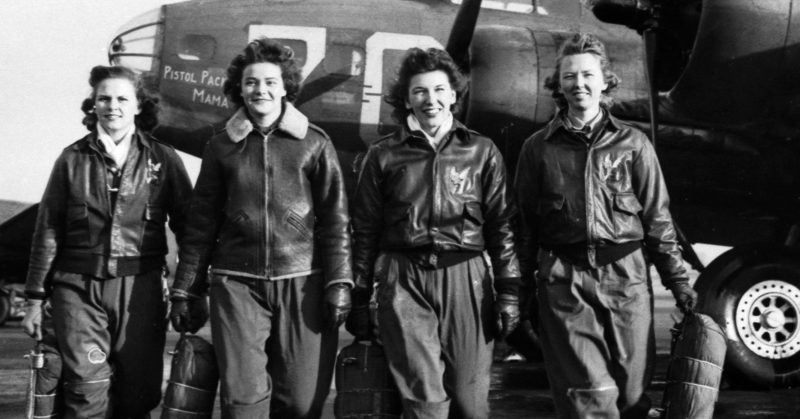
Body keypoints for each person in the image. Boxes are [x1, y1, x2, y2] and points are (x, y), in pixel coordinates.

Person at [515, 33, 699, 418]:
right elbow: (526, 226)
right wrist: (518, 292)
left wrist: (678, 282)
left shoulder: (634, 144)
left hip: (626, 276)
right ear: (558, 85)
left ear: (604, 81)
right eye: (569, 76)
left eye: (587, 75)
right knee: (590, 393)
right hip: (564, 278)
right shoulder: (537, 149)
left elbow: (657, 218)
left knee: (632, 394)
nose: (578, 84)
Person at [168, 37, 353, 418]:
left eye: (270, 81)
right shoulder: (221, 146)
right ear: (239, 89)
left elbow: (336, 219)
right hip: (236, 284)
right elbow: (201, 224)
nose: (260, 90)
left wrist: (340, 283)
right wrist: (185, 289)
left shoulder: (315, 144)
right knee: (242, 401)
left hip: (303, 281)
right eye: (251, 82)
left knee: (302, 403)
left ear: (286, 87)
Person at [348, 47, 521, 419]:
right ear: (407, 99)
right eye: (420, 91)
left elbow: (501, 227)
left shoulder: (482, 151)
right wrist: (360, 297)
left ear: (454, 95)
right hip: (403, 277)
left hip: (467, 277)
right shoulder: (382, 155)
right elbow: (364, 231)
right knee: (424, 400)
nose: (431, 100)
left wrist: (509, 291)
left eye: (440, 90)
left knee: (470, 402)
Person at [20, 65, 193, 418]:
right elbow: (48, 229)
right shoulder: (72, 159)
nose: (112, 106)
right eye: (104, 98)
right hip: (77, 286)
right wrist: (35, 298)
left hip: (141, 287)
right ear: (93, 105)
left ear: (139, 105)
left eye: (122, 98)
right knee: (85, 390)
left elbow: (190, 229)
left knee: (138, 393)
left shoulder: (163, 158)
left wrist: (188, 291)